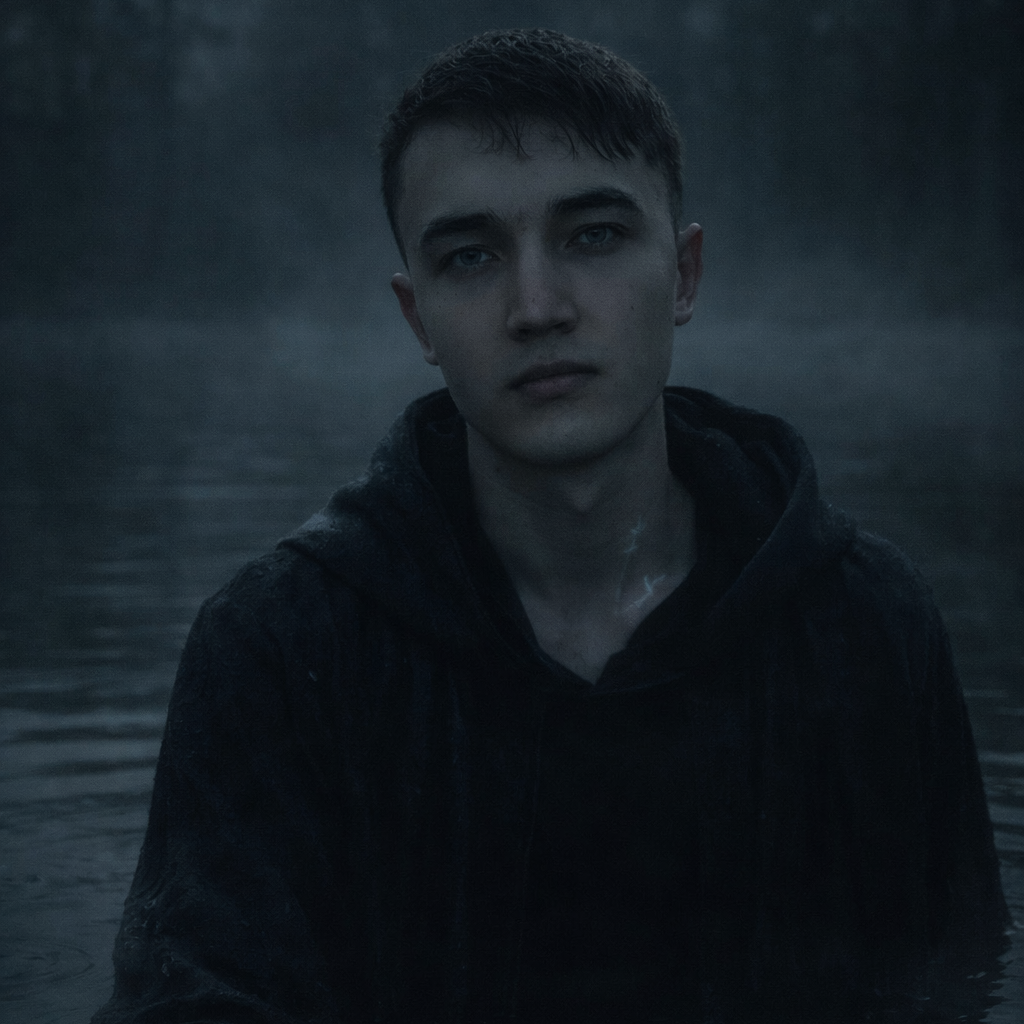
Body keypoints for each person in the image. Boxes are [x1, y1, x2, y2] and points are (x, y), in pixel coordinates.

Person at [93, 28, 1009, 1024]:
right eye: (471, 256)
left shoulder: (864, 625)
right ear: (419, 319)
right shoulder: (277, 649)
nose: (536, 306)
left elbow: (956, 986)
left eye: (594, 236)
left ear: (685, 274)